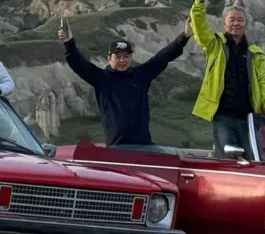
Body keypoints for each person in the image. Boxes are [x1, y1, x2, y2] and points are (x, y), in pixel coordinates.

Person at [58, 20, 192, 148]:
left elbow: (163, 57)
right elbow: (79, 64)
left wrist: (184, 36)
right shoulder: (102, 78)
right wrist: (69, 43)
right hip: (117, 147)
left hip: (144, 144)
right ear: (109, 58)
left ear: (131, 58)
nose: (122, 60)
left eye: (126, 56)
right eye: (117, 57)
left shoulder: (141, 75)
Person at [190, 0, 265, 158]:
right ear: (224, 24)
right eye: (232, 20)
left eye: (240, 20)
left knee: (252, 157)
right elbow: (199, 26)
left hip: (249, 116)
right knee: (228, 156)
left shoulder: (255, 53)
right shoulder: (215, 45)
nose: (236, 23)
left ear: (246, 25)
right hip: (223, 114)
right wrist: (199, 2)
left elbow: (262, 82)